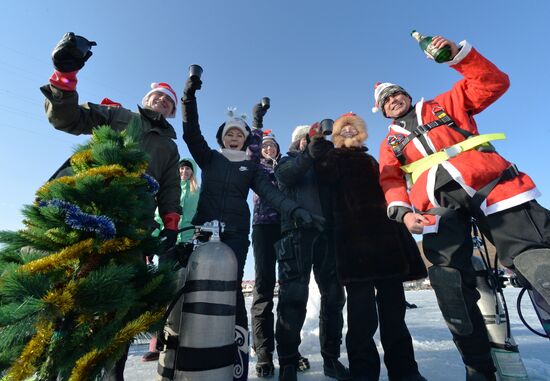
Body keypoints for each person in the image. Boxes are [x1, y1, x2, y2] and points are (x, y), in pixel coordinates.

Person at [374, 35, 550, 381]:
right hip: (437, 208)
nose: (392, 100)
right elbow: (390, 180)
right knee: (449, 283)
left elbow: (493, 83)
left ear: (407, 96)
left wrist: (457, 56)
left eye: (396, 93)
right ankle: (478, 367)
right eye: (385, 100)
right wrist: (404, 212)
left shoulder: (446, 103)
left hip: (493, 187)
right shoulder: (389, 142)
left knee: (536, 256)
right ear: (381, 111)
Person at [41, 32, 182, 380]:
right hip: (89, 212)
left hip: (133, 226)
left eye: (169, 102)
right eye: (158, 97)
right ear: (145, 99)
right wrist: (65, 77)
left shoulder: (170, 147)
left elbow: (170, 188)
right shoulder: (118, 116)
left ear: (173, 112)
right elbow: (68, 120)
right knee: (71, 289)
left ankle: (113, 370)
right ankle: (56, 365)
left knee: (120, 298)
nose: (162, 102)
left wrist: (170, 225)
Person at [181, 74, 320, 381]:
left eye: (239, 135)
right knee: (195, 286)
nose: (234, 137)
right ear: (222, 137)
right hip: (204, 229)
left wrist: (296, 210)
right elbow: (191, 134)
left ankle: (237, 347)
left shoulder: (250, 167)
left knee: (231, 289)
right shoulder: (209, 158)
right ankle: (186, 346)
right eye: (230, 134)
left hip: (235, 233)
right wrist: (188, 97)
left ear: (245, 140)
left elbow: (272, 194)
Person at [313, 112, 427, 381]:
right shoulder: (332, 158)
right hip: (354, 248)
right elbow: (320, 168)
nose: (349, 132)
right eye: (344, 129)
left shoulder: (372, 159)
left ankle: (405, 371)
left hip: (386, 244)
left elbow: (390, 194)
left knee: (394, 317)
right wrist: (321, 138)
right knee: (361, 320)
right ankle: (364, 374)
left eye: (354, 128)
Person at [274, 124, 350, 381]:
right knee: (293, 297)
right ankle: (287, 362)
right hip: (295, 234)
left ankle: (331, 358)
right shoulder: (286, 160)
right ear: (299, 142)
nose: (314, 142)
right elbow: (286, 177)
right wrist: (308, 155)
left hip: (327, 234)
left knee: (334, 297)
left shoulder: (325, 163)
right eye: (309, 139)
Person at [142, 158, 200, 362]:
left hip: (188, 243)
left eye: (188, 168)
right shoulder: (168, 190)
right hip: (168, 241)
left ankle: (186, 339)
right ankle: (156, 343)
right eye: (182, 168)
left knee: (186, 288)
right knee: (165, 290)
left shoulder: (197, 192)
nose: (184, 171)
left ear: (193, 173)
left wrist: (196, 234)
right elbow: (158, 217)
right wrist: (155, 238)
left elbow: (201, 214)